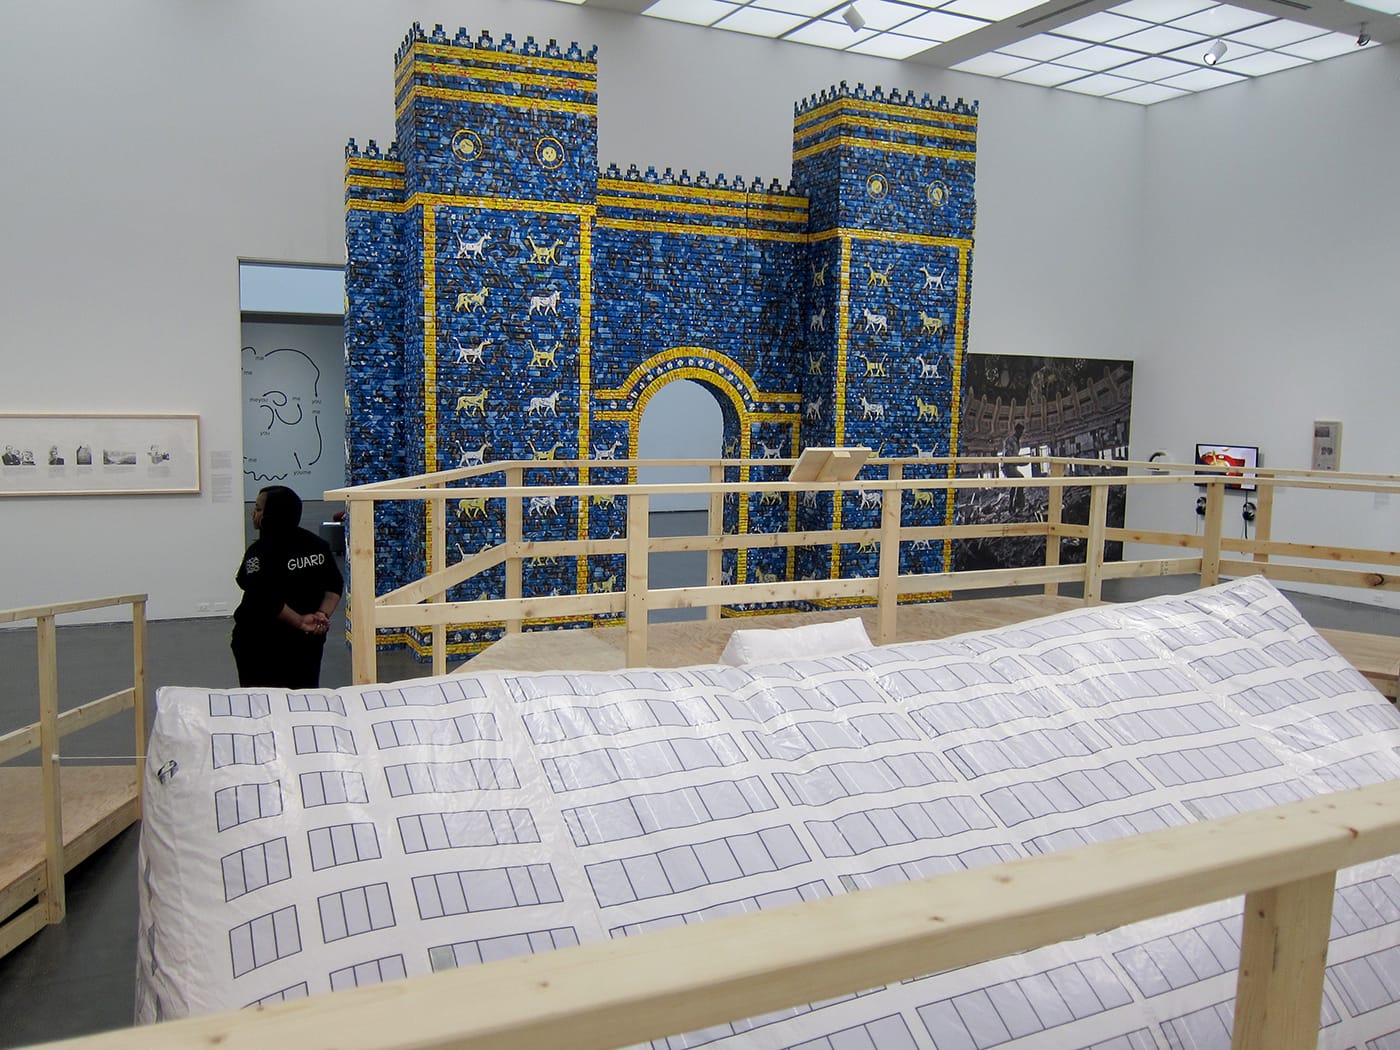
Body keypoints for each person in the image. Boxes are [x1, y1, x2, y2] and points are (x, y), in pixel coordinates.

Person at [231, 485, 344, 689]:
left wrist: (300, 621)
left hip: (262, 643)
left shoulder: (260, 552)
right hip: (308, 641)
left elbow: (262, 595)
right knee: (303, 698)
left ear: (271, 515)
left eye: (258, 509)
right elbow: (335, 584)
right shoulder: (317, 545)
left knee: (261, 700)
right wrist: (322, 615)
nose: (253, 514)